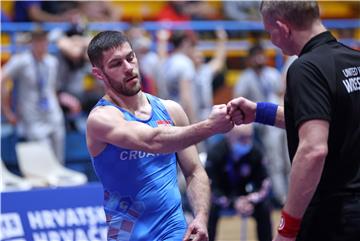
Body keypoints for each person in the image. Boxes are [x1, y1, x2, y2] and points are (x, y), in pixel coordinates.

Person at [228, 1, 360, 241]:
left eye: (270, 32)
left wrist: (287, 228)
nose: (271, 40)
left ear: (283, 28)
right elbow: (329, 123)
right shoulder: (353, 60)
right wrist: (259, 112)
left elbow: (313, 149)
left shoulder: (305, 69)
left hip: (332, 218)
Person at [86, 30, 234, 241]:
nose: (128, 68)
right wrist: (211, 126)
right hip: (128, 236)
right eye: (116, 64)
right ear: (99, 74)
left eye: (130, 58)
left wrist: (201, 217)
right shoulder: (101, 119)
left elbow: (194, 171)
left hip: (175, 232)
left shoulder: (170, 110)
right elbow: (153, 140)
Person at [1, 29, 79, 164]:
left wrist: (66, 99)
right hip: (32, 113)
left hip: (52, 110)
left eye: (44, 41)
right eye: (38, 41)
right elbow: (2, 79)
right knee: (43, 154)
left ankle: (59, 184)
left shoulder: (52, 62)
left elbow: (53, 88)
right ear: (32, 43)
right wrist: (7, 110)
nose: (42, 45)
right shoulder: (21, 60)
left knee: (58, 152)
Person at [233, 43, 288, 207]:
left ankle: (292, 194)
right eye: (256, 56)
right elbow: (238, 100)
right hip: (263, 126)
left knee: (289, 158)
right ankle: (281, 196)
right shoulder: (245, 78)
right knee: (274, 161)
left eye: (262, 54)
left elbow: (280, 93)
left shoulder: (272, 74)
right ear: (249, 60)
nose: (260, 58)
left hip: (281, 120)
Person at [206, 124, 272, 241]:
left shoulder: (256, 152)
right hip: (223, 196)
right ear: (229, 136)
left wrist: (250, 199)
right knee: (208, 209)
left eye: (249, 137)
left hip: (247, 196)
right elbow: (210, 188)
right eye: (242, 138)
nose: (247, 142)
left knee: (264, 207)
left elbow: (264, 184)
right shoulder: (215, 154)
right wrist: (233, 202)